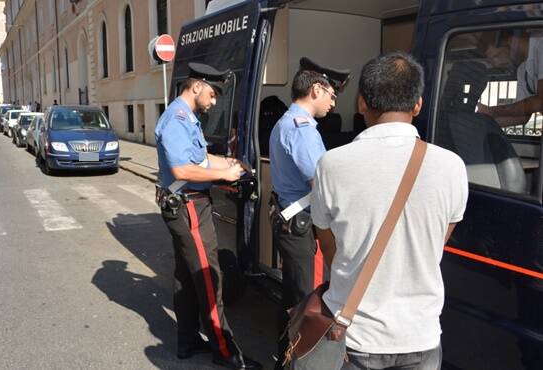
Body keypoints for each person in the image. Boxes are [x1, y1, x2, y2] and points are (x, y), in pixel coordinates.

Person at [310, 52, 469, 370]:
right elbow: (437, 242)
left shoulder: (332, 164)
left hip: (355, 335)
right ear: (418, 104)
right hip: (420, 335)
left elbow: (328, 244)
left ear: (361, 103)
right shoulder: (452, 166)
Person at [154, 62, 262, 370]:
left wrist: (230, 162)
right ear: (197, 86)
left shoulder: (187, 117)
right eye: (212, 94)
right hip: (188, 205)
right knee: (208, 276)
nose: (214, 102)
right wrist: (225, 174)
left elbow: (199, 158)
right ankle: (225, 351)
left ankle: (187, 341)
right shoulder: (176, 118)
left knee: (187, 277)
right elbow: (182, 170)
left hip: (186, 202)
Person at [268, 57, 349, 369]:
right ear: (317, 89)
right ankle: (301, 364)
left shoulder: (290, 122)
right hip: (301, 226)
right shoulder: (302, 129)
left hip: (291, 223)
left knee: (292, 299)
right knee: (309, 303)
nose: (333, 101)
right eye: (332, 94)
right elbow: (322, 185)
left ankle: (284, 360)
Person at [478, 30, 543, 127]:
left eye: (497, 55)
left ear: (512, 42)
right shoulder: (522, 70)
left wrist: (494, 111)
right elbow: (522, 117)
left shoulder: (541, 46)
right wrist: (481, 120)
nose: (497, 63)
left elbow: (540, 102)